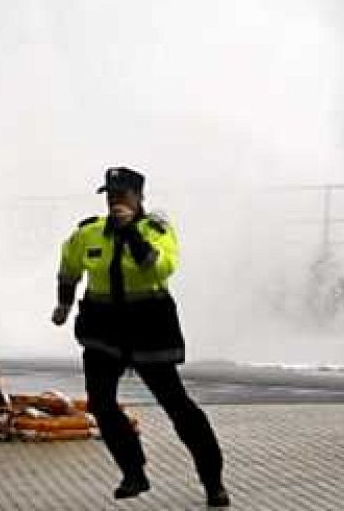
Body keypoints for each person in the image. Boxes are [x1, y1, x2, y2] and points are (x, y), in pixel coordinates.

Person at [52, 166, 229, 507]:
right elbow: (69, 268)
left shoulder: (157, 230)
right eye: (110, 195)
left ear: (139, 197)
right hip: (103, 333)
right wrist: (63, 303)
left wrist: (131, 231)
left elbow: (158, 266)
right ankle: (133, 472)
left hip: (149, 331)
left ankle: (213, 482)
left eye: (122, 195)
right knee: (101, 404)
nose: (115, 201)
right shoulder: (88, 233)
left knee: (178, 407)